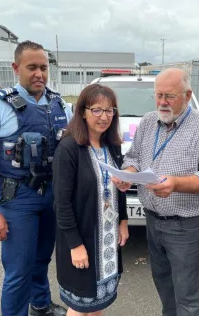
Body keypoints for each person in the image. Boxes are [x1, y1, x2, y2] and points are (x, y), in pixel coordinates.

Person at [0, 40, 72, 316]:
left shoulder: (59, 105)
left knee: (41, 259)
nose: (39, 73)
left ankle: (40, 304)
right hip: (18, 199)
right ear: (16, 68)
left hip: (51, 195)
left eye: (44, 67)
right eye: (32, 67)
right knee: (18, 269)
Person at [113, 68, 199, 316]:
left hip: (186, 224)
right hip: (153, 219)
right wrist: (128, 174)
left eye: (170, 96)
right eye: (158, 95)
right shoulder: (147, 122)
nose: (162, 102)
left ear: (188, 95)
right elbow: (133, 157)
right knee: (164, 285)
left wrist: (175, 183)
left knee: (189, 295)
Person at [52, 83, 129, 316]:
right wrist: (75, 246)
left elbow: (119, 186)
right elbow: (61, 203)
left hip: (106, 240)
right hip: (82, 240)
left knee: (98, 305)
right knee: (79, 307)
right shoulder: (69, 148)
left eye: (109, 110)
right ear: (82, 112)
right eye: (96, 110)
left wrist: (123, 221)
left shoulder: (112, 146)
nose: (104, 117)